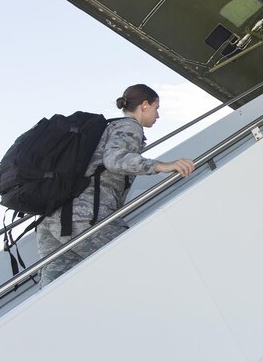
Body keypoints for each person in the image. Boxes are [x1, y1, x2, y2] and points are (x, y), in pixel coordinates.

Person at [36, 84, 195, 287]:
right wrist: (162, 166)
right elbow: (115, 159)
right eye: (157, 108)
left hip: (52, 217)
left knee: (55, 292)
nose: (158, 116)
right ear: (145, 105)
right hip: (86, 217)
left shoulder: (105, 129)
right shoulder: (129, 126)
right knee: (134, 265)